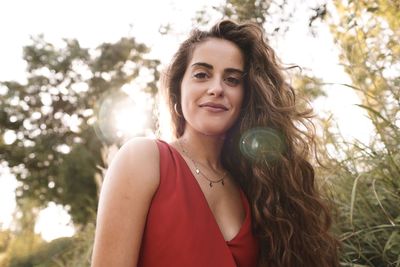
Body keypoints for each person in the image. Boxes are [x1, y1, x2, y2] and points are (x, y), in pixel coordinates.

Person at [91, 19, 339, 267]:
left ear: (247, 96)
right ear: (178, 89)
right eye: (202, 75)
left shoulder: (257, 188)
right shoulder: (143, 158)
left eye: (232, 79)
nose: (217, 88)